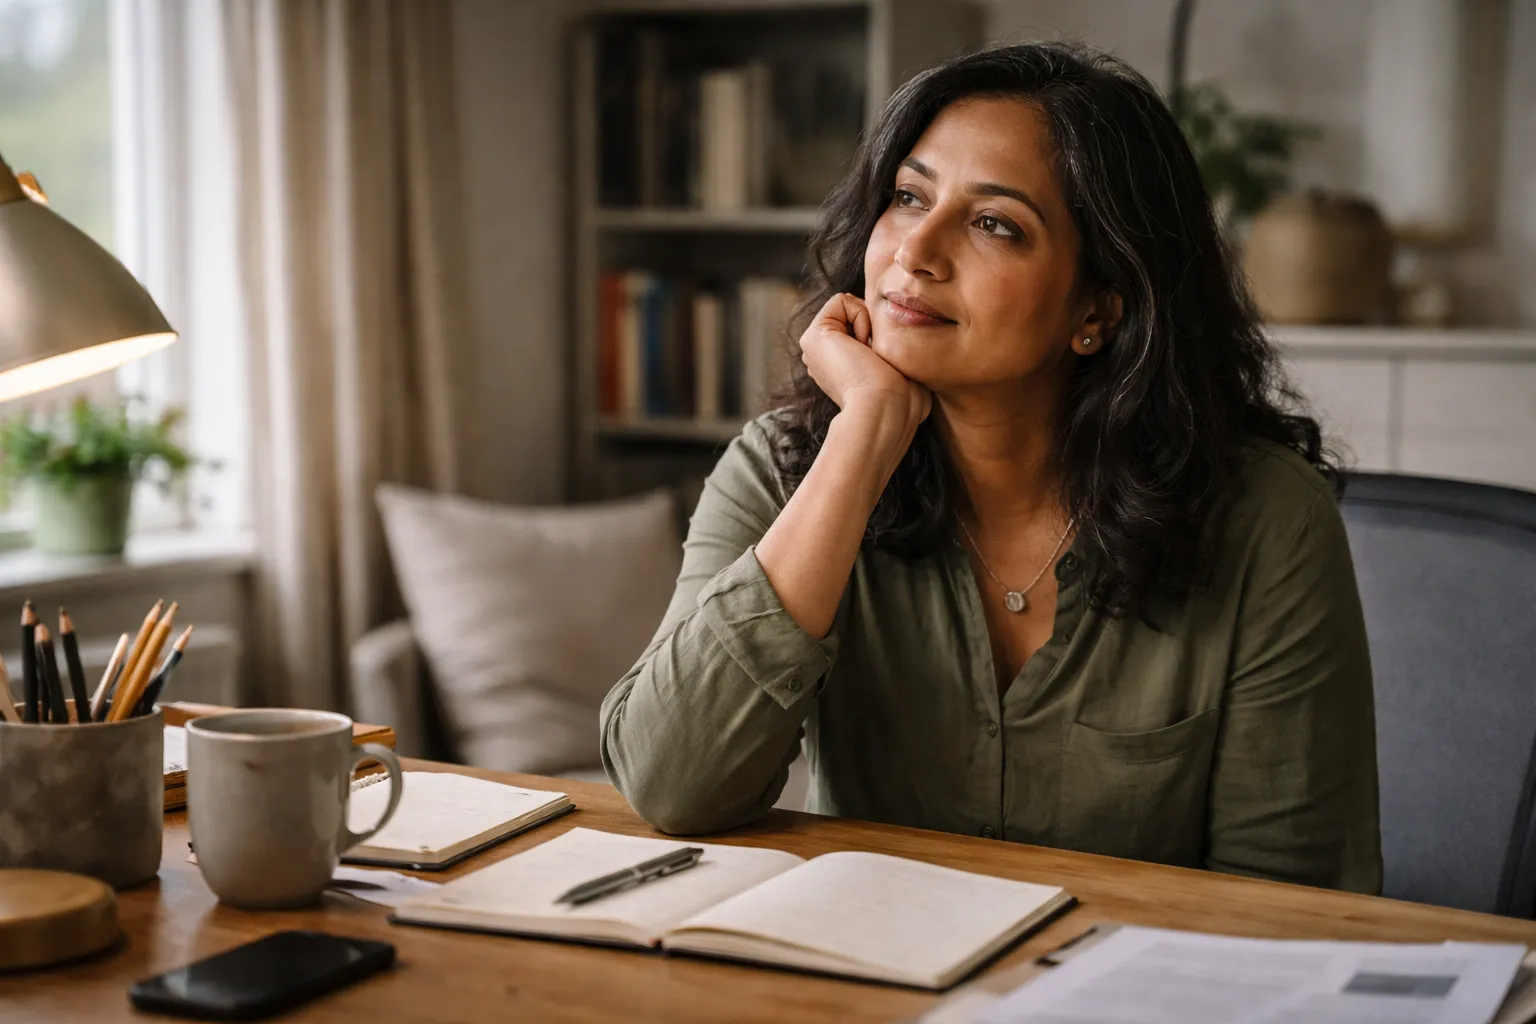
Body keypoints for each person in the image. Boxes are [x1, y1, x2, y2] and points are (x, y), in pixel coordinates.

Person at [600, 42, 1381, 893]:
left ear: (1099, 308)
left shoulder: (1263, 519)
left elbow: (1293, 903)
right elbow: (672, 785)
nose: (916, 252)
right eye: (907, 197)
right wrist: (861, 441)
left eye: (994, 223)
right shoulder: (785, 470)